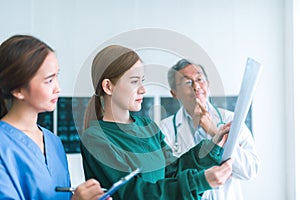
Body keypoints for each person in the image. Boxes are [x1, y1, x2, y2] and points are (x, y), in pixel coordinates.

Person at [80, 44, 233, 200]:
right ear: (108, 86)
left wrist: (212, 146)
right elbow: (133, 194)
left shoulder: (147, 126)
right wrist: (200, 182)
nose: (143, 90)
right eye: (134, 81)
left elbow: (172, 171)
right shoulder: (95, 138)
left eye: (142, 81)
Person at [0, 35, 109, 200]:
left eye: (57, 76)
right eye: (49, 80)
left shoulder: (53, 142)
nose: (58, 88)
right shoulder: (3, 145)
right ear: (18, 90)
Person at [159, 58, 260, 200]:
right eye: (187, 82)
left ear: (208, 84)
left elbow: (250, 170)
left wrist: (214, 131)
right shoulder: (165, 129)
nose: (196, 86)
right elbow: (166, 179)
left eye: (200, 79)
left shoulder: (231, 120)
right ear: (174, 93)